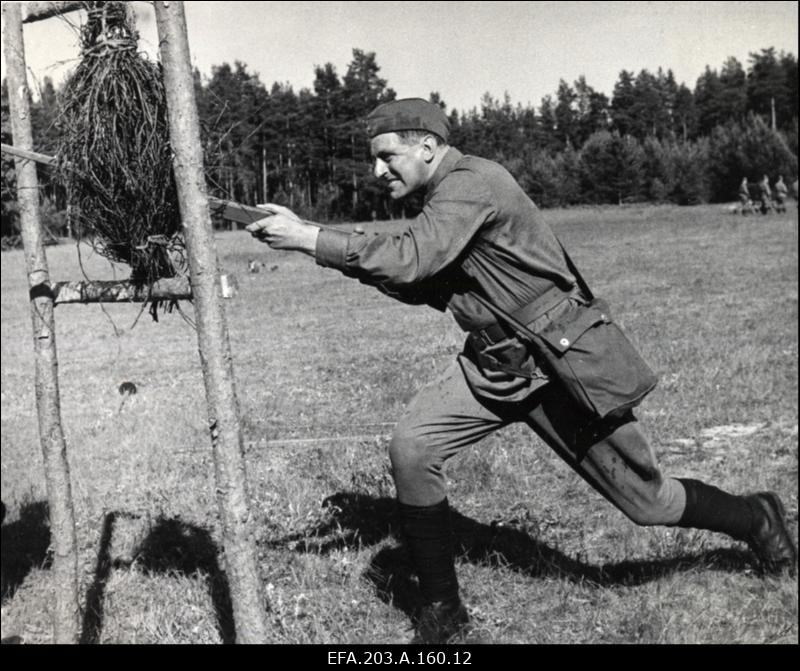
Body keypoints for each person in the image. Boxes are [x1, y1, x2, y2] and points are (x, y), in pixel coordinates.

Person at [246, 98, 797, 643]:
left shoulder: (471, 183)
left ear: (429, 147)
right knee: (413, 449)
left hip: (559, 368)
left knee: (649, 502)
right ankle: (443, 611)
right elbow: (419, 280)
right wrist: (307, 233)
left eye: (387, 156)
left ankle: (756, 517)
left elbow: (410, 259)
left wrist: (308, 239)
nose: (376, 171)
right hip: (494, 365)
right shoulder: (441, 200)